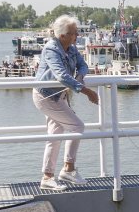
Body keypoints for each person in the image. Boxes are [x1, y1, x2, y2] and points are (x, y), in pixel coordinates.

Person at [33, 15, 99, 191]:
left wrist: (80, 76)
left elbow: (83, 65)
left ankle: (48, 177)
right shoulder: (51, 49)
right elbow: (61, 75)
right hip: (46, 96)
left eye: (77, 32)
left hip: (59, 96)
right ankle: (68, 169)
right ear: (62, 35)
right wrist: (87, 92)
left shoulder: (71, 48)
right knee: (77, 126)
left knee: (55, 135)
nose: (77, 35)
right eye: (74, 33)